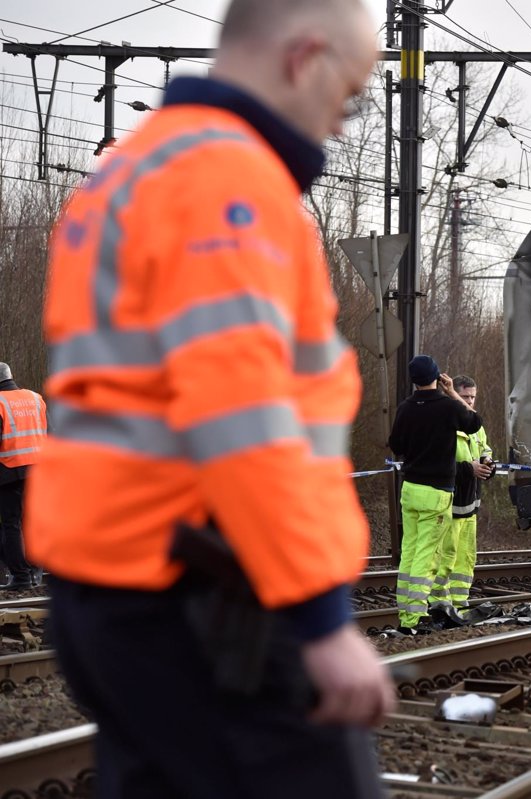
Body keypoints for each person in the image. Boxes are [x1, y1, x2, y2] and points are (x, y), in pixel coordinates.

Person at [25, 1, 394, 796]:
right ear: (306, 59)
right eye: (354, 94)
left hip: (109, 584)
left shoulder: (130, 170)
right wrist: (322, 618)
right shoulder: (229, 181)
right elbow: (242, 413)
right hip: (208, 590)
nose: (342, 121)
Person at [388, 357, 481, 632]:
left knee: (409, 552)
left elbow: (396, 445)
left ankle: (404, 612)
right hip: (437, 492)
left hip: (410, 489)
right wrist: (452, 392)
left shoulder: (405, 408)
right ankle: (414, 618)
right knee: (426, 556)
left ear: (413, 380)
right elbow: (474, 422)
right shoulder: (447, 406)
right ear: (437, 377)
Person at [429, 375, 493, 611]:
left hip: (470, 504)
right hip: (449, 503)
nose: (470, 402)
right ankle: (439, 603)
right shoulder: (444, 422)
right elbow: (435, 463)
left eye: (473, 397)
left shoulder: (475, 424)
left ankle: (460, 602)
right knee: (445, 557)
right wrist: (470, 469)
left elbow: (485, 448)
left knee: (466, 558)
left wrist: (488, 462)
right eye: (465, 397)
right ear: (452, 394)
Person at [0, 362, 46, 591]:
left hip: (9, 469)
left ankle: (20, 577)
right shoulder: (36, 398)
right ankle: (35, 572)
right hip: (39, 468)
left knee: (11, 524)